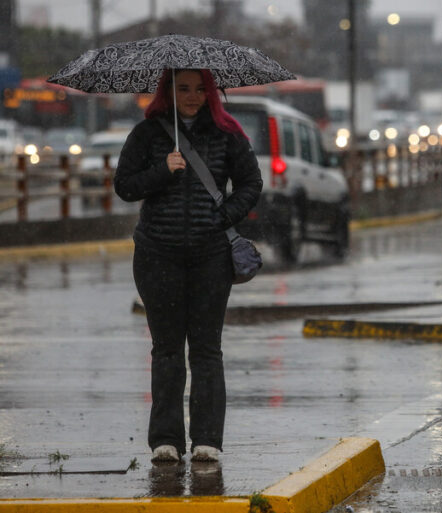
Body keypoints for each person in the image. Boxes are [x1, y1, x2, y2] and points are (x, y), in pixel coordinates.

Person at [114, 69, 263, 463]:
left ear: (211, 92)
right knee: (166, 350)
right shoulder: (146, 135)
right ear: (169, 91)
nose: (193, 96)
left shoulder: (227, 134)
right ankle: (165, 440)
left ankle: (207, 440)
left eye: (200, 89)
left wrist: (224, 217)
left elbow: (251, 183)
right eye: (184, 89)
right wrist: (163, 170)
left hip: (210, 256)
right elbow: (124, 186)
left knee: (206, 350)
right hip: (156, 254)